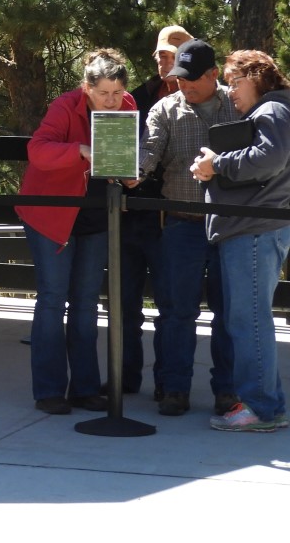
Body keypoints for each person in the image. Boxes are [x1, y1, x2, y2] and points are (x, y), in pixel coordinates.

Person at [16, 48, 133, 414]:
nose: (111, 101)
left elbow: (124, 160)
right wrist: (79, 150)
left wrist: (130, 173)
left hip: (96, 217)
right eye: (103, 94)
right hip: (53, 215)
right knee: (52, 299)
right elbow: (38, 150)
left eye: (116, 93)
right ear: (87, 88)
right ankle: (49, 391)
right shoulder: (65, 106)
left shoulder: (127, 106)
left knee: (85, 302)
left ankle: (84, 388)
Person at [135, 38, 238, 417]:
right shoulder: (165, 108)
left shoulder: (240, 105)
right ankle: (174, 389)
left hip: (231, 225)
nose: (186, 85)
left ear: (214, 75)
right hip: (182, 223)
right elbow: (150, 150)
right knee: (177, 311)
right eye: (181, 78)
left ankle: (227, 391)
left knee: (229, 313)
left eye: (194, 79)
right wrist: (130, 172)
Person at [190, 50, 290, 431]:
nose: (230, 92)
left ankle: (263, 408)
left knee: (249, 322)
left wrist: (217, 164)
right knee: (248, 320)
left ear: (258, 77)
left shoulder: (272, 111)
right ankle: (262, 403)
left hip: (253, 231)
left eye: (235, 82)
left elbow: (269, 158)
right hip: (256, 229)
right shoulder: (274, 111)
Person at [114, 24, 193, 397]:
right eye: (161, 55)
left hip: (171, 218)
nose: (164, 61)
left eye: (171, 55)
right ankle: (124, 378)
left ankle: (168, 385)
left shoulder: (199, 100)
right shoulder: (136, 98)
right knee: (124, 304)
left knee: (171, 307)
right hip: (129, 214)